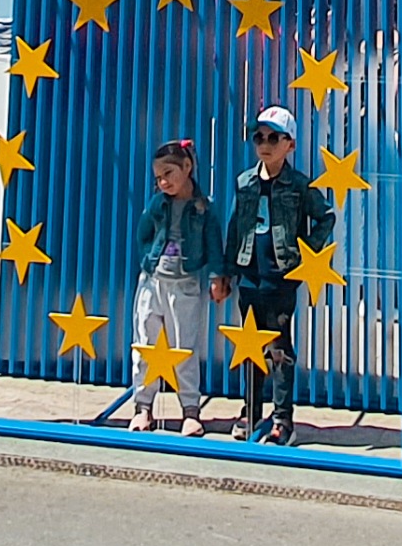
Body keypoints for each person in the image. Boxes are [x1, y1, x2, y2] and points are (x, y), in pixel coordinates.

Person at [221, 106, 332, 445]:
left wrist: (306, 252)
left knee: (279, 348)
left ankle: (283, 418)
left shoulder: (298, 185)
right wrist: (226, 271)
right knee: (250, 346)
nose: (265, 144)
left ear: (290, 144)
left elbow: (325, 216)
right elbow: (235, 227)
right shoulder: (245, 182)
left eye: (273, 138)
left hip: (281, 278)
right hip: (250, 277)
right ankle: (252, 410)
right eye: (259, 138)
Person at [125, 138, 224, 432]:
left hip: (185, 286)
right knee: (145, 344)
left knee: (185, 348)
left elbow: (214, 244)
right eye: (158, 177)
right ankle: (143, 407)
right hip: (153, 283)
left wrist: (217, 277)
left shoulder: (204, 208)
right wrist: (149, 262)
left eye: (168, 173)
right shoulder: (157, 204)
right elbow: (143, 233)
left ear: (187, 166)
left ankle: (190, 411)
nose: (163, 182)